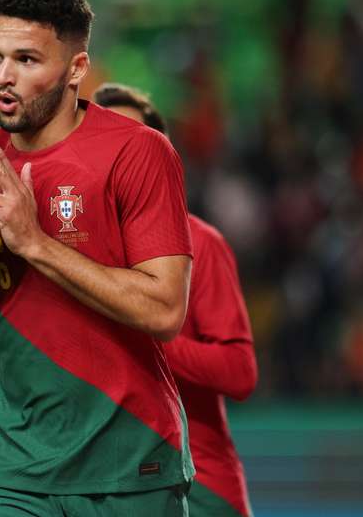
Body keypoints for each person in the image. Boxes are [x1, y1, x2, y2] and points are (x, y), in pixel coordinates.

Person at [0, 0, 194, 516]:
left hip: (132, 464)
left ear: (76, 69)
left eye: (26, 60)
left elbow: (164, 308)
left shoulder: (138, 154)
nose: (3, 77)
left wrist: (35, 243)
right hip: (16, 471)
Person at [93, 82, 258, 517]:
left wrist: (145, 335)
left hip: (198, 487)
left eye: (132, 142)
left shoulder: (199, 243)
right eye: (102, 140)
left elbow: (240, 373)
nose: (116, 155)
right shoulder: (69, 250)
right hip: (103, 484)